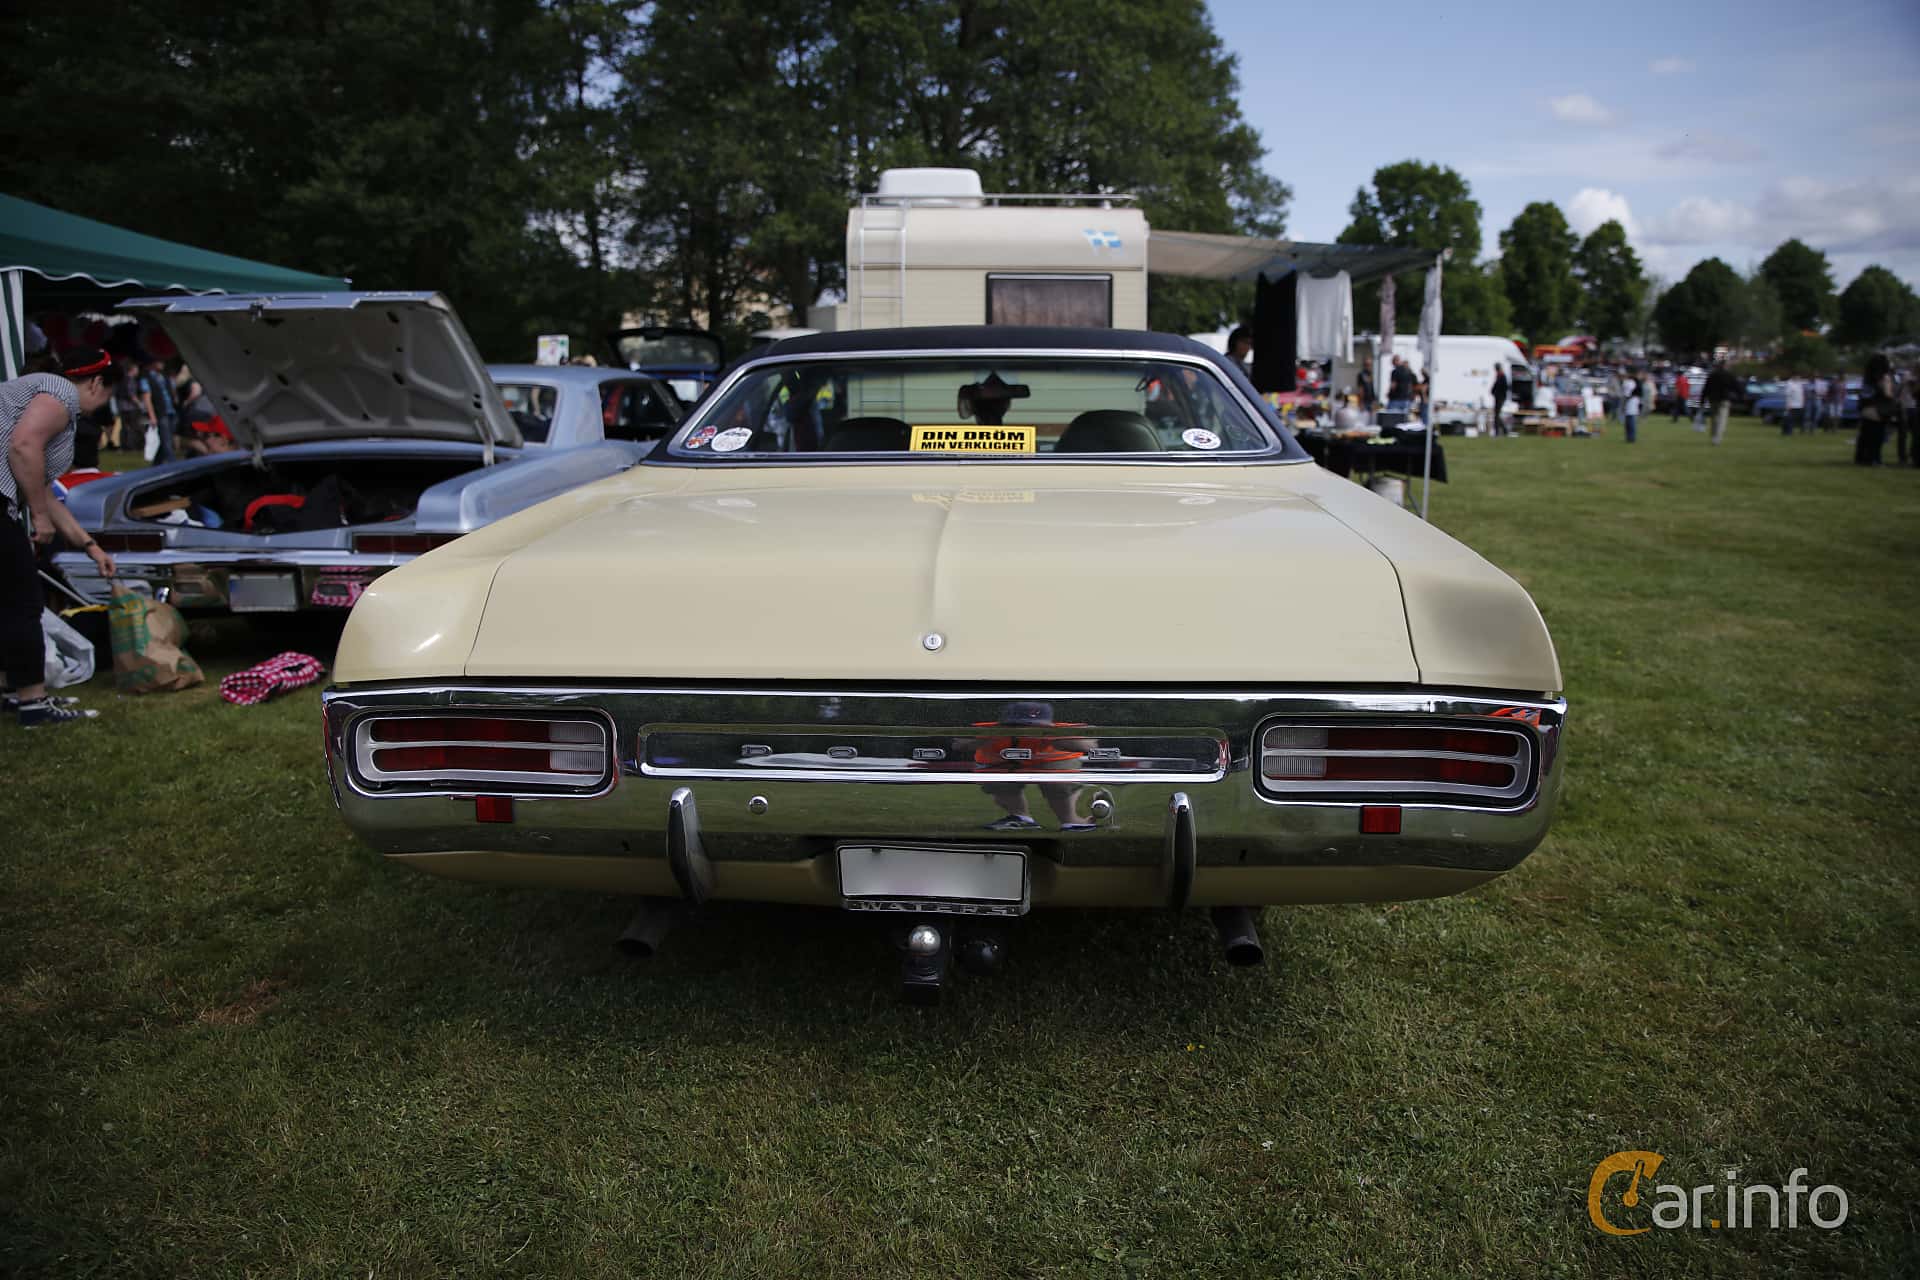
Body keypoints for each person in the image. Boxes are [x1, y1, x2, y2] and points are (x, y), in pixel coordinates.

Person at [1, 348, 119, 726]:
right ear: (97, 383)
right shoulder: (60, 392)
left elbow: (47, 491)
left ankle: (11, 692)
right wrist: (36, 515)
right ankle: (34, 702)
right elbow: (22, 446)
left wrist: (89, 545)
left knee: (7, 599)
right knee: (22, 600)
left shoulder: (39, 393)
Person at [1856, 354, 1894, 467]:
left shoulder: (1867, 378)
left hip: (1866, 409)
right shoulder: (1884, 377)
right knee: (1877, 438)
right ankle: (1875, 459)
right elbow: (1888, 394)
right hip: (1878, 410)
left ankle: (1862, 458)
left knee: (1865, 436)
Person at [1704, 360, 1737, 446]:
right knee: (1721, 419)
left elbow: (1706, 388)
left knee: (1714, 418)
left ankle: (1714, 435)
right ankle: (1717, 437)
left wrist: (1702, 399)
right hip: (1724, 400)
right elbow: (1737, 386)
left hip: (1713, 399)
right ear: (1726, 366)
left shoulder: (1712, 375)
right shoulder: (1729, 375)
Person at [1782, 372, 1805, 437]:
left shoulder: (1799, 384)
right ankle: (1788, 431)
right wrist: (1788, 405)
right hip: (1792, 405)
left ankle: (1789, 430)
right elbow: (1788, 395)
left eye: (1799, 377)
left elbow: (1801, 394)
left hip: (1799, 405)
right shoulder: (1789, 383)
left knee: (1794, 419)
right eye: (1797, 376)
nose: (1798, 378)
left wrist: (1802, 403)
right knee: (1789, 419)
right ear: (1793, 376)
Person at [1621, 370, 1641, 443]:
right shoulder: (1634, 382)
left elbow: (1627, 394)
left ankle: (1631, 437)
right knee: (1629, 421)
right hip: (1633, 401)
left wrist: (1624, 403)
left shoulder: (1629, 382)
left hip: (1630, 402)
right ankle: (1630, 437)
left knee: (1630, 421)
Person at [1491, 362, 1508, 436]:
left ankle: (1499, 431)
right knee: (1496, 415)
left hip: (1500, 397)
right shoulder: (1499, 375)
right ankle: (1503, 430)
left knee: (1497, 415)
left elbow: (1503, 387)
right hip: (1498, 397)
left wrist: (1495, 392)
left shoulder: (1502, 376)